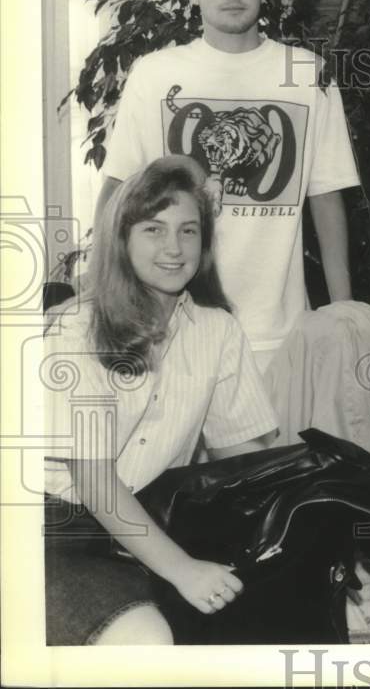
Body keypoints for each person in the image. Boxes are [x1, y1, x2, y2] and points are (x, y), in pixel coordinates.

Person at [94, 0, 360, 373]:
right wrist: (103, 296)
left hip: (281, 334)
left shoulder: (307, 73)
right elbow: (117, 193)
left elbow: (326, 198)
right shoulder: (154, 74)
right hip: (173, 329)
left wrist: (343, 314)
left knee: (283, 447)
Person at [44, 156, 279, 645]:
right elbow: (93, 481)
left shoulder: (218, 330)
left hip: (142, 530)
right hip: (48, 529)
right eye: (154, 229)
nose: (174, 248)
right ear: (122, 240)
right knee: (146, 643)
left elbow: (246, 462)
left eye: (188, 231)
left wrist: (306, 535)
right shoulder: (76, 329)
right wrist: (184, 570)